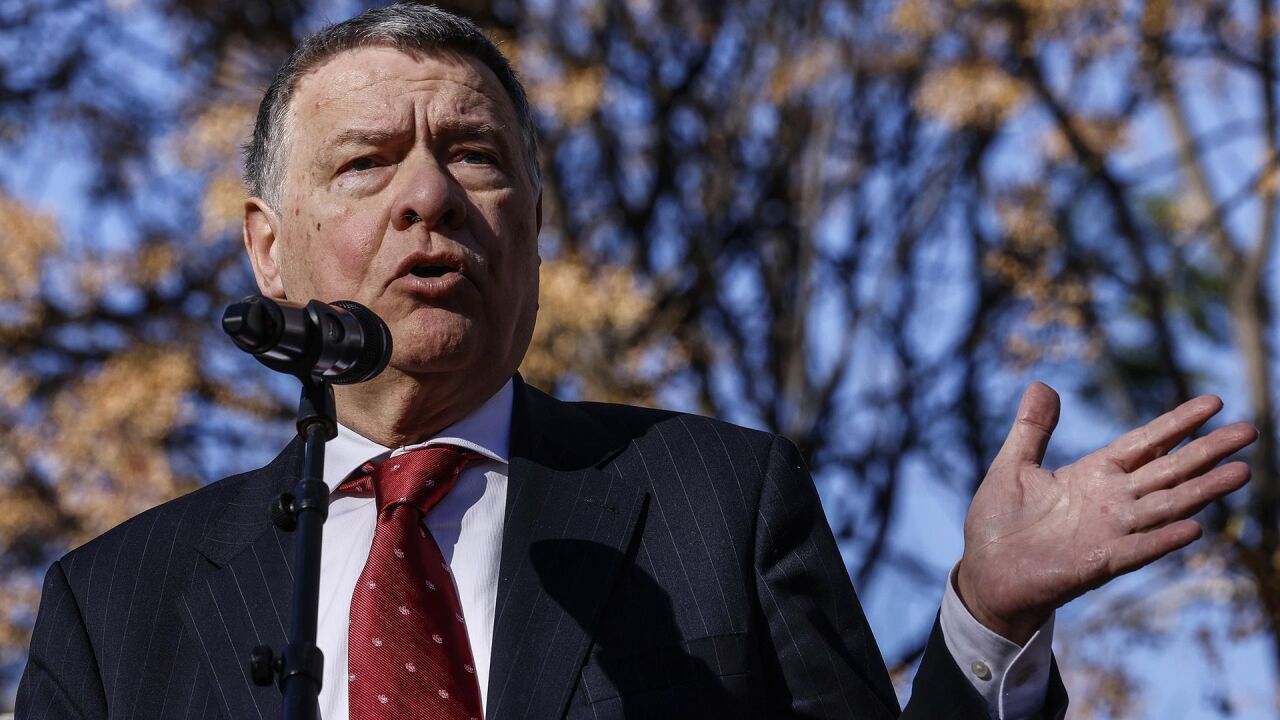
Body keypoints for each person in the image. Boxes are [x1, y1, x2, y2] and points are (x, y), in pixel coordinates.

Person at [16, 4, 1257, 719]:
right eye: (366, 163)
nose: (427, 198)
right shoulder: (115, 606)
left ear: (534, 229)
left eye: (474, 156)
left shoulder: (719, 502)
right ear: (267, 250)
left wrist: (985, 618)